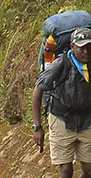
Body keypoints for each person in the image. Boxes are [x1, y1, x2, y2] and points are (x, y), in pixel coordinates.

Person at [34, 28, 91, 178]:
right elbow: (38, 91)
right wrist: (38, 127)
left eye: (89, 47)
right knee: (66, 170)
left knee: (89, 170)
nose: (86, 51)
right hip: (61, 120)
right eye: (81, 47)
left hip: (86, 120)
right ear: (72, 47)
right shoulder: (60, 64)